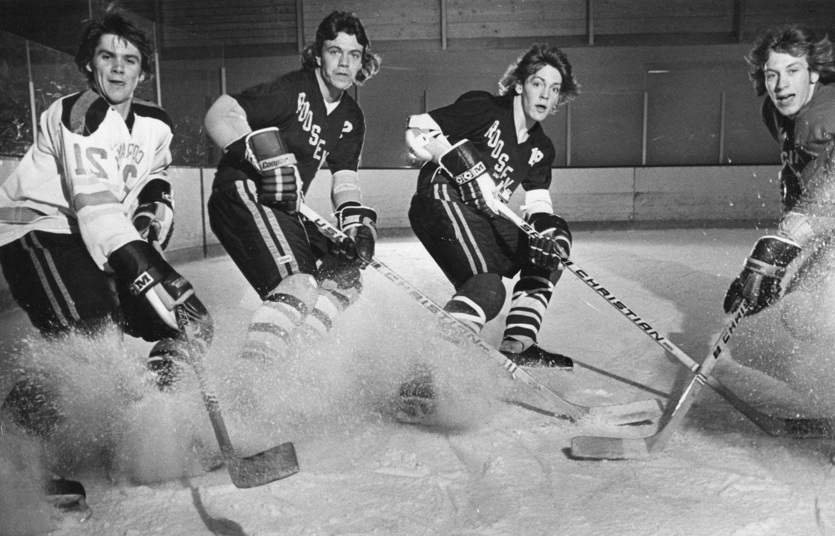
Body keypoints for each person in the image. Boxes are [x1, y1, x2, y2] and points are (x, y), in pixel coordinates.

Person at [0, 5, 212, 501]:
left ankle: (153, 429)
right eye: (106, 56)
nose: (117, 67)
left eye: (129, 59)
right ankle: (5, 463)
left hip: (100, 240)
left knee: (194, 322)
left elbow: (156, 176)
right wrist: (143, 266)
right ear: (89, 65)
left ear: (143, 70)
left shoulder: (156, 123)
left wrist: (156, 206)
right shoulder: (79, 114)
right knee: (90, 333)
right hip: (39, 234)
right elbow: (93, 207)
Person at [204, 11, 380, 366]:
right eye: (335, 51)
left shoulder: (351, 115)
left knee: (344, 277)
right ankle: (251, 377)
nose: (344, 63)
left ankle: (293, 356)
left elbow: (345, 175)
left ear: (363, 59)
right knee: (299, 285)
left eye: (354, 54)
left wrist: (354, 222)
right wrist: (268, 160)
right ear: (318, 54)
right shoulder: (292, 89)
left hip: (283, 207)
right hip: (243, 192)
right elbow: (221, 113)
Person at [404, 43, 580, 382]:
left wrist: (544, 235)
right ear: (519, 84)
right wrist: (466, 167)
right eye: (538, 83)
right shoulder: (484, 108)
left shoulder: (541, 147)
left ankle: (519, 344)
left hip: (480, 214)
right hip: (440, 197)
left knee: (551, 246)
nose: (546, 95)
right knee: (488, 288)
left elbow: (539, 204)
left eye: (554, 89)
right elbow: (417, 129)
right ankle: (424, 375)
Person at [723, 25, 835, 318]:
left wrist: (771, 257)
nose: (781, 84)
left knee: (814, 312)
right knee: (801, 310)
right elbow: (798, 169)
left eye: (793, 70)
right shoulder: (775, 112)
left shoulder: (825, 118)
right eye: (772, 74)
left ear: (814, 73)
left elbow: (830, 203)